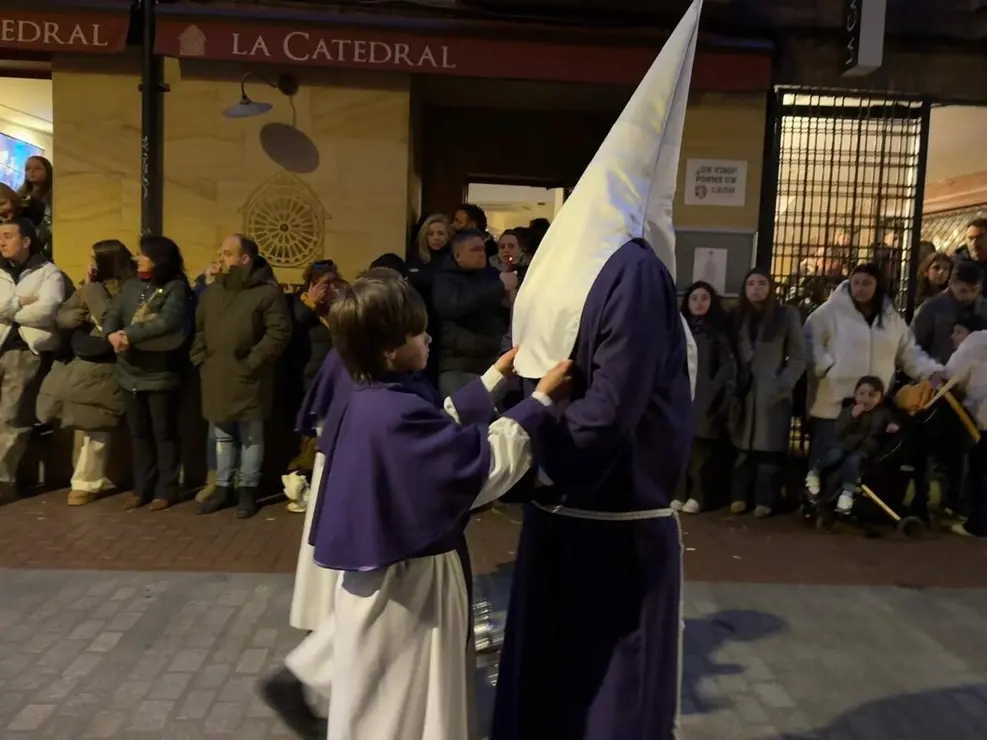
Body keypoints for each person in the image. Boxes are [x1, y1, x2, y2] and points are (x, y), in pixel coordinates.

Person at [493, 3, 700, 738]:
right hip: (614, 528)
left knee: (550, 691)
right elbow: (610, 413)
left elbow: (531, 370)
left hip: (558, 517)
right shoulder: (634, 270)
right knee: (607, 694)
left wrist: (530, 450)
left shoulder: (561, 261)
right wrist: (558, 454)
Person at [277, 269, 568, 740]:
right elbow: (475, 467)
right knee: (406, 706)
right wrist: (538, 404)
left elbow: (438, 431)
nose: (428, 337)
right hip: (411, 585)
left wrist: (494, 378)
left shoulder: (373, 398)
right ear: (389, 349)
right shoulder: (393, 412)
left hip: (387, 578)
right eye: (417, 332)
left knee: (385, 697)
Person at [193, 234, 291, 519]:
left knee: (251, 436)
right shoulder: (213, 292)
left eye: (226, 253)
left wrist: (252, 361)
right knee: (222, 436)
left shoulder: (266, 293)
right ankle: (223, 488)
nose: (220, 258)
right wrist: (200, 360)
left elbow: (278, 332)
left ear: (244, 258)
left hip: (250, 377)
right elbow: (199, 329)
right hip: (216, 374)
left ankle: (248, 490)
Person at [35, 239, 136, 505]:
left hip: (105, 367)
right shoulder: (89, 287)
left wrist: (90, 298)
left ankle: (86, 483)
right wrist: (85, 311)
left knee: (96, 426)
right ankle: (85, 480)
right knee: (83, 425)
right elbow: (64, 316)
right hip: (81, 365)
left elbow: (109, 320)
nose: (89, 263)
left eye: (94, 258)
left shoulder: (124, 289)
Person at [102, 235, 191, 511]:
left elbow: (167, 322)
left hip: (160, 374)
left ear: (158, 259)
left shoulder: (175, 287)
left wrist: (128, 335)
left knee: (163, 434)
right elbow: (112, 315)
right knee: (138, 434)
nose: (138, 259)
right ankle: (141, 488)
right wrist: (111, 334)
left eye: (144, 255)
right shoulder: (130, 286)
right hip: (129, 372)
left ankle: (166, 489)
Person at [0, 218, 66, 503]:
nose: (1, 242)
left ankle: (3, 482)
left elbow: (47, 310)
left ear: (26, 241)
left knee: (12, 417)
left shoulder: (49, 272)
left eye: (7, 236)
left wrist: (7, 312)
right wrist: (18, 303)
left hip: (24, 352)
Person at [673, 280, 735, 514]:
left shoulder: (719, 333)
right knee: (681, 448)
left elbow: (726, 366)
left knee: (701, 452)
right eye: (694, 298)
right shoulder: (679, 330)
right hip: (682, 397)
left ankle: (698, 495)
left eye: (704, 298)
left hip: (707, 398)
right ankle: (679, 492)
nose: (699, 303)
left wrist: (713, 390)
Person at [805, 375, 899, 514]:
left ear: (880, 398)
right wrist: (852, 417)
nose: (866, 399)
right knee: (834, 454)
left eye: (872, 395)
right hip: (845, 445)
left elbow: (893, 421)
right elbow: (838, 430)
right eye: (862, 394)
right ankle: (815, 473)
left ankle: (847, 493)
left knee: (853, 460)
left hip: (865, 449)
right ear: (855, 395)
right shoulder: (849, 410)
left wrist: (892, 425)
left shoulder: (883, 413)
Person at [942, 314, 987, 537]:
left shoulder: (974, 343)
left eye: (959, 332)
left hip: (983, 416)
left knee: (981, 470)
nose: (953, 337)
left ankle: (978, 524)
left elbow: (949, 376)